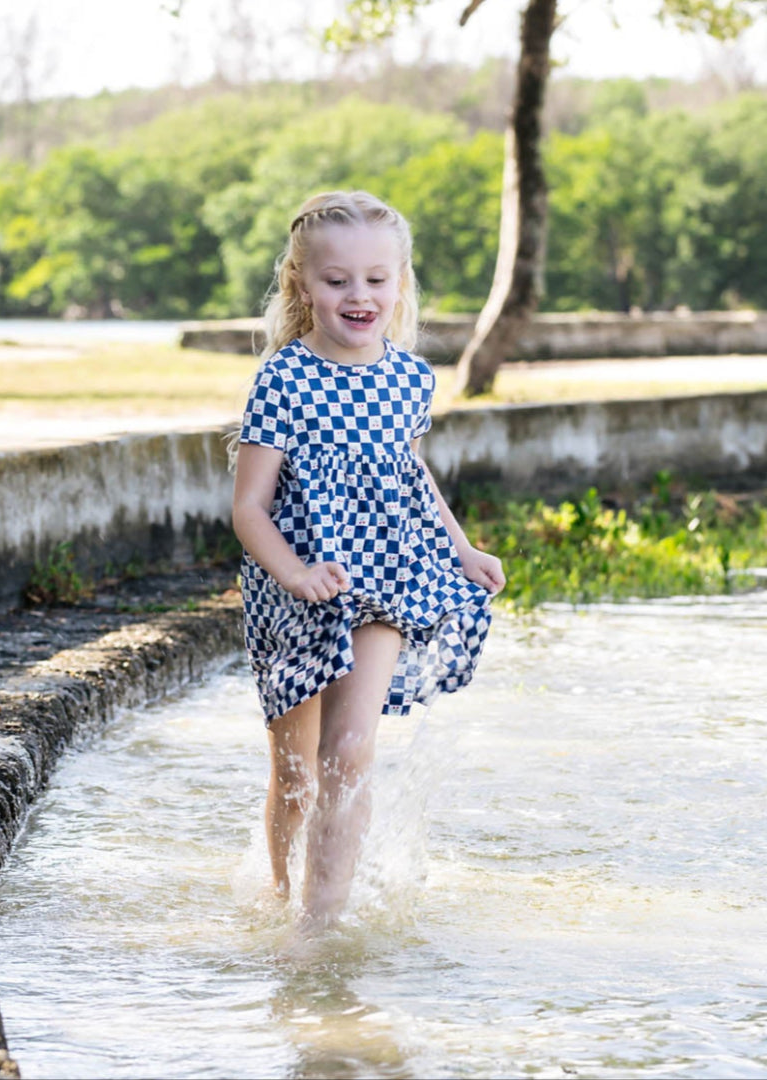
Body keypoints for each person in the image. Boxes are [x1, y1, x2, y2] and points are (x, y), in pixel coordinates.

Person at [231, 190, 504, 928]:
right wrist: (294, 573)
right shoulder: (284, 379)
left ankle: (317, 931)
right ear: (303, 286)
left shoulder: (410, 380)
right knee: (296, 776)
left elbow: (408, 475)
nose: (360, 296)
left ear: (399, 284)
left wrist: (459, 545)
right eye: (338, 280)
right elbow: (248, 508)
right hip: (298, 592)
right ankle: (280, 892)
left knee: (350, 754)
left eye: (377, 280)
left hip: (387, 576)